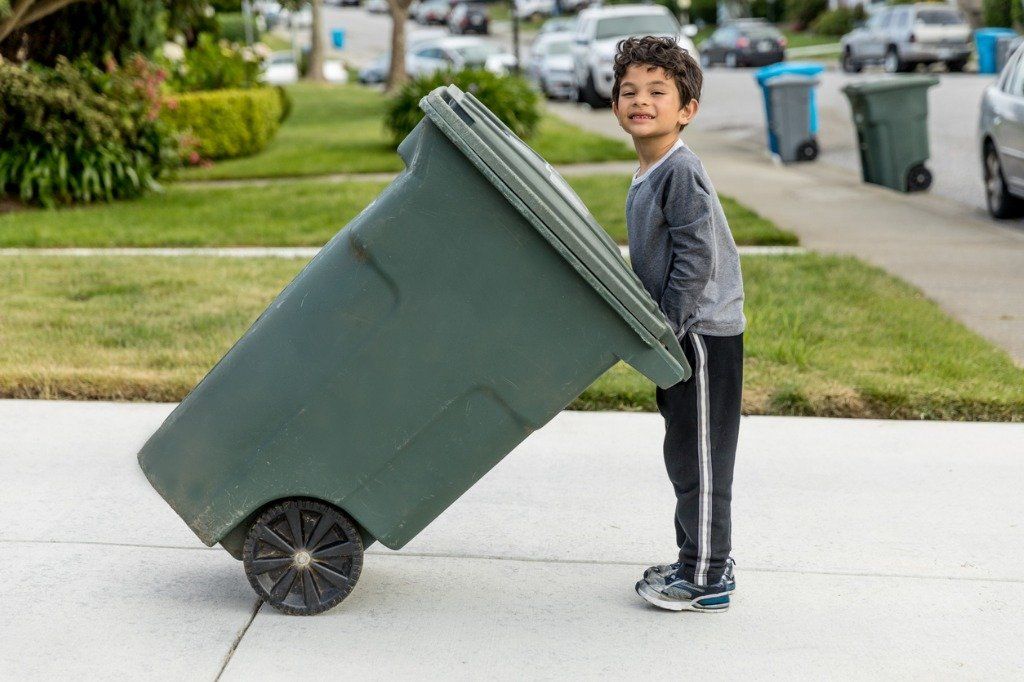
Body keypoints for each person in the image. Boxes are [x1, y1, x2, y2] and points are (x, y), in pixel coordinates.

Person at [610, 35, 745, 612]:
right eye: (629, 91)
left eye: (657, 92)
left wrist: (666, 327)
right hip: (679, 334)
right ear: (616, 106)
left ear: (686, 110)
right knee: (684, 454)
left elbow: (696, 259)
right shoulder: (649, 171)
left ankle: (710, 578)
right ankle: (694, 557)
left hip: (702, 336)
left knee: (704, 461)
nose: (641, 100)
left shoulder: (679, 172)